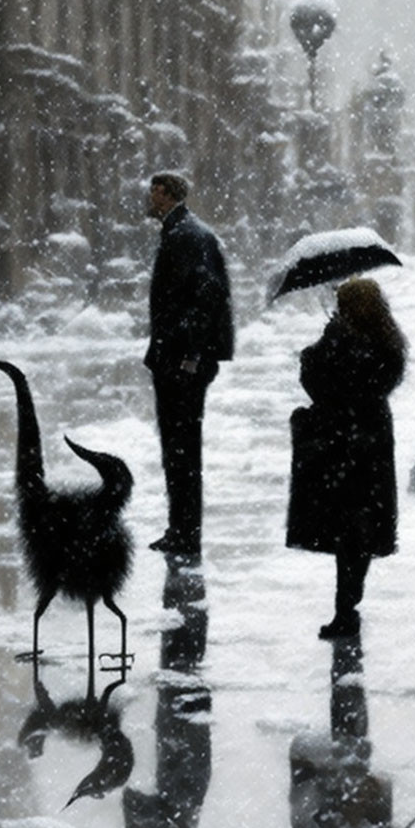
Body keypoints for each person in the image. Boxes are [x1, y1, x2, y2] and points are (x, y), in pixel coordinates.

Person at [286, 278, 407, 639]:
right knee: (361, 528)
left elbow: (319, 385)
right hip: (372, 440)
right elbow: (379, 382)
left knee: (346, 529)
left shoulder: (340, 342)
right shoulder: (387, 343)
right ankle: (348, 602)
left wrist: (316, 352)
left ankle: (346, 608)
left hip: (341, 441)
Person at [144, 172, 234, 557]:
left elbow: (205, 299)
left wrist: (189, 355)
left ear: (166, 195)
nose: (148, 198)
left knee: (181, 450)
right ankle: (181, 528)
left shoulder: (188, 235)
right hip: (177, 358)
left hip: (182, 363)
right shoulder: (182, 232)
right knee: (179, 449)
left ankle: (185, 531)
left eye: (153, 192)